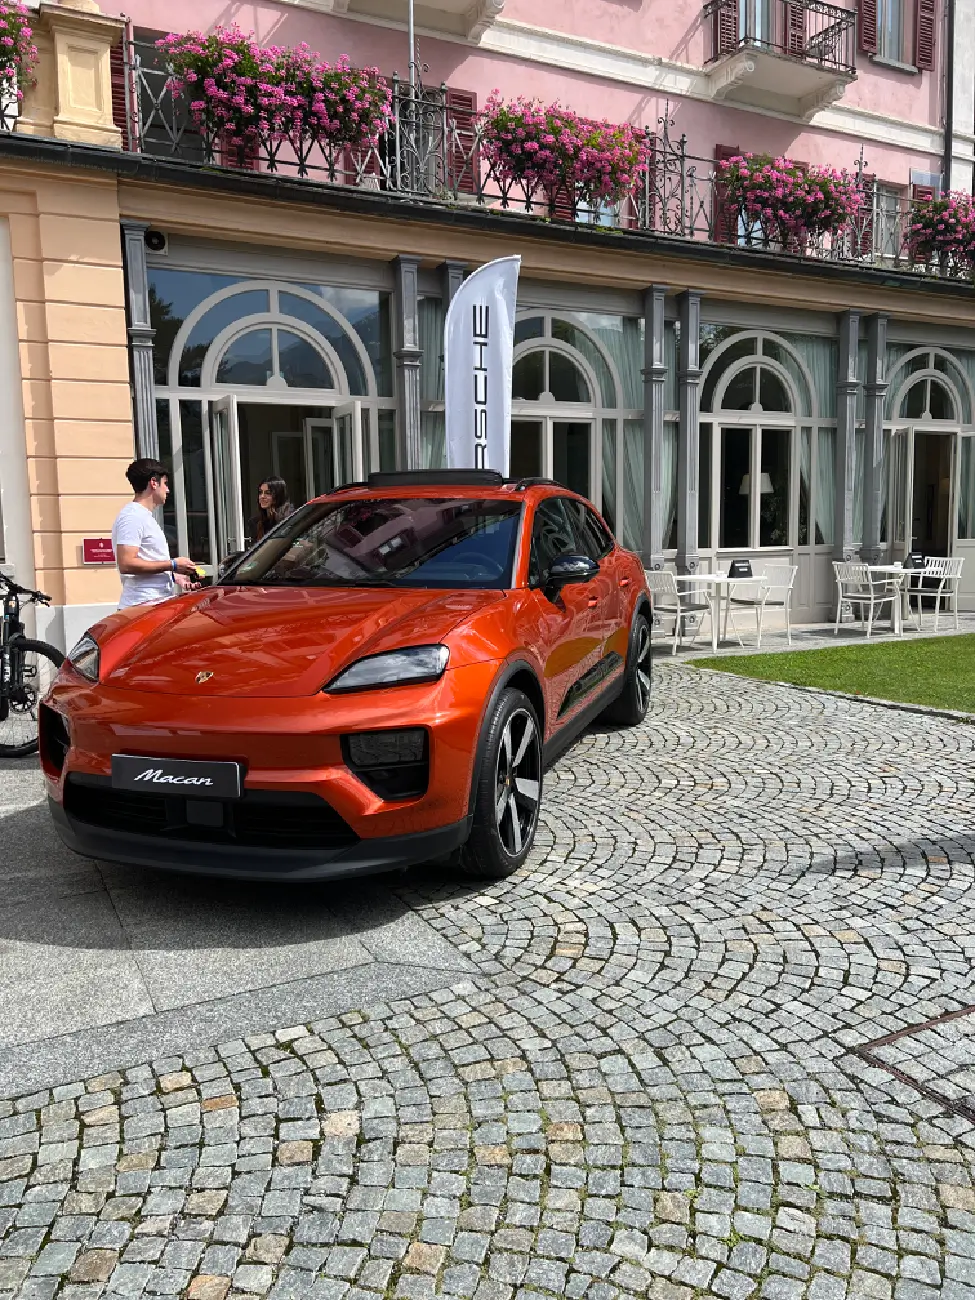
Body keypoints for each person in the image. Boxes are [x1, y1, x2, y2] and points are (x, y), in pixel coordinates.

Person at [112, 458, 198, 609]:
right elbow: (126, 563)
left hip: (151, 605)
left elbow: (147, 560)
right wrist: (173, 564)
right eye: (165, 483)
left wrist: (175, 577)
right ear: (154, 482)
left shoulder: (142, 516)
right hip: (141, 606)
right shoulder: (133, 516)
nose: (168, 490)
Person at [247, 476, 294, 544]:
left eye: (268, 493)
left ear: (278, 495)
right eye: (260, 492)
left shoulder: (289, 518)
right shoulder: (255, 522)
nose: (262, 496)